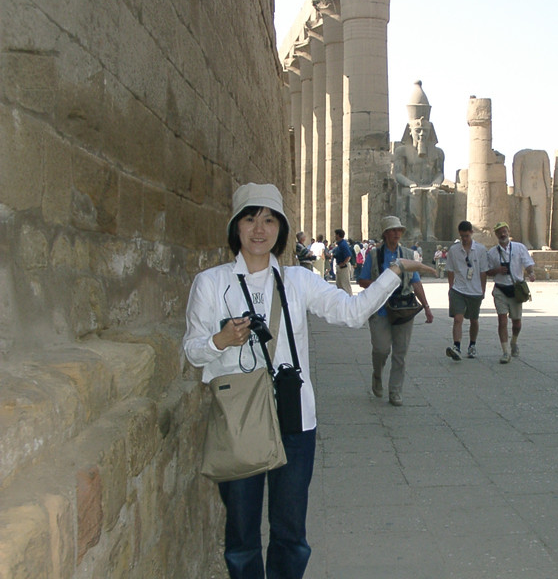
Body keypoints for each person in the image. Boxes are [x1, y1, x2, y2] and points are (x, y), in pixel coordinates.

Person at [183, 183, 433, 578]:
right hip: (239, 419)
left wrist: (394, 272)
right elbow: (194, 351)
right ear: (236, 227)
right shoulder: (211, 283)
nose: (259, 229)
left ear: (281, 229)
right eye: (250, 219)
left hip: (294, 417)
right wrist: (221, 340)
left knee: (290, 534)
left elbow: (352, 312)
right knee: (241, 537)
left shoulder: (297, 281)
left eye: (269, 220)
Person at [358, 216, 435, 406]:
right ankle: (377, 374)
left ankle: (395, 391)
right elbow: (362, 280)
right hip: (381, 309)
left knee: (400, 353)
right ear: (385, 233)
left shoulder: (407, 254)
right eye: (393, 230)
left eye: (399, 230)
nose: (397, 233)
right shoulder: (374, 255)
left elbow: (416, 282)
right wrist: (381, 285)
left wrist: (426, 307)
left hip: (403, 309)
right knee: (381, 349)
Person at [486, 221, 536, 363]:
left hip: (515, 289)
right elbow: (487, 271)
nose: (502, 234)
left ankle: (514, 341)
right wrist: (497, 270)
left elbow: (528, 263)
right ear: (496, 235)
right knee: (502, 321)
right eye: (499, 232)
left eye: (504, 231)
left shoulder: (519, 248)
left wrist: (531, 273)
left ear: (508, 232)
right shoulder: (492, 252)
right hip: (500, 289)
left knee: (517, 323)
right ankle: (505, 352)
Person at [445, 220, 489, 360]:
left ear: (471, 233)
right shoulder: (454, 250)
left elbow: (483, 271)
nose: (464, 239)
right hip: (458, 289)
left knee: (474, 320)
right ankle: (456, 346)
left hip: (475, 290)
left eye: (467, 236)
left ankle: (472, 345)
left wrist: (483, 290)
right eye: (462, 236)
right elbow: (450, 270)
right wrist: (451, 288)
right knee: (458, 318)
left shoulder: (480, 250)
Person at [332, 229, 353, 295]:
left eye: (335, 235)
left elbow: (348, 255)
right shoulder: (340, 244)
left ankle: (349, 298)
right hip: (340, 266)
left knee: (345, 285)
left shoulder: (343, 244)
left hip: (343, 267)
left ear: (338, 235)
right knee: (339, 285)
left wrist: (343, 263)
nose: (334, 236)